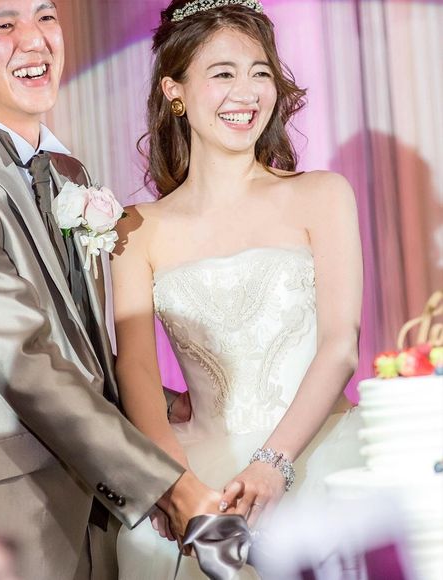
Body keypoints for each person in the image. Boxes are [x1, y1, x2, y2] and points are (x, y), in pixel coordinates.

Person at [0, 1, 231, 579]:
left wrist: (165, 403)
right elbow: (24, 361)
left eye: (45, 17)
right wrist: (167, 487)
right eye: (4, 25)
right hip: (11, 510)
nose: (36, 39)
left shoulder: (70, 174)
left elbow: (80, 344)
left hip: (101, 503)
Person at [112, 0, 365, 577]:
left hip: (319, 451)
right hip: (200, 474)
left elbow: (340, 345)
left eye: (260, 73)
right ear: (175, 91)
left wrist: (273, 463)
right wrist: (175, 484)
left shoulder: (321, 195)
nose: (246, 93)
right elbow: (137, 371)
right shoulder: (135, 228)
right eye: (223, 73)